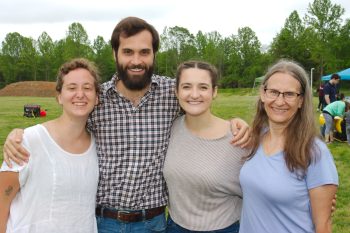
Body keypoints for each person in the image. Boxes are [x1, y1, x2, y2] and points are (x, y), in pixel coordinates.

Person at [2, 17, 250, 233]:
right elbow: (66, 122)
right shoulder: (98, 99)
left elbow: (198, 103)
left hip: (153, 222)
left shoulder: (170, 93)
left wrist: (234, 123)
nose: (136, 60)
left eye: (144, 52)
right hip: (103, 221)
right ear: (115, 54)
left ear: (153, 54)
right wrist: (21, 134)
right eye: (128, 52)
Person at [0, 58, 100, 233]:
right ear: (59, 96)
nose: (80, 94)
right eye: (71, 88)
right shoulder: (28, 141)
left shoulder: (98, 146)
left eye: (87, 88)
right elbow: (2, 199)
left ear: (97, 97)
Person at [239, 59, 338, 233]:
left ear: (301, 101)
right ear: (263, 94)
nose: (279, 101)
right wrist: (234, 122)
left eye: (290, 94)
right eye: (274, 92)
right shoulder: (255, 138)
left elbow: (323, 225)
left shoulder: (314, 151)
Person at [163, 61, 246, 233]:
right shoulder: (171, 128)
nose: (194, 94)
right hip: (174, 226)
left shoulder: (238, 138)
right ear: (176, 91)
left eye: (203, 87)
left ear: (214, 91)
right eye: (186, 86)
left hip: (223, 228)